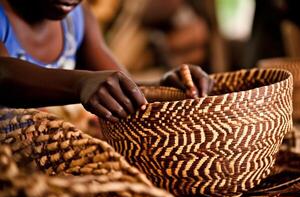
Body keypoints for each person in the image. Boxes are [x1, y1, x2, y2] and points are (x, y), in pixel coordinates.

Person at [0, 0, 213, 123]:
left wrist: (163, 88)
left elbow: (119, 84)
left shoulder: (78, 19)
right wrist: (80, 83)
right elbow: (5, 73)